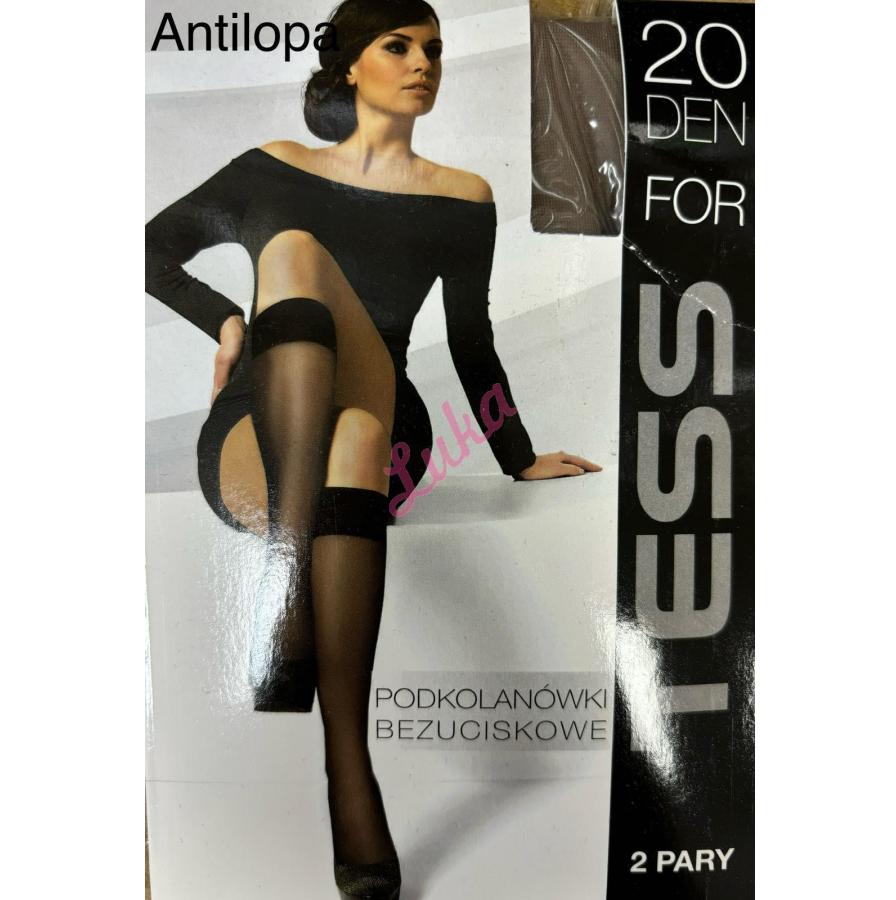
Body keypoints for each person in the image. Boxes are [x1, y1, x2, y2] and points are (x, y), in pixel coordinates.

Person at [145, 1, 601, 896]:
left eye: (435, 49)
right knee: (302, 280)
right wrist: (227, 321)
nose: (424, 63)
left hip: (389, 420)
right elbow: (149, 251)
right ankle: (337, 733)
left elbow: (470, 341)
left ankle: (313, 678)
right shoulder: (273, 167)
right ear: (351, 65)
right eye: (399, 46)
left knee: (353, 397)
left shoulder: (462, 196)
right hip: (257, 431)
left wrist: (517, 455)